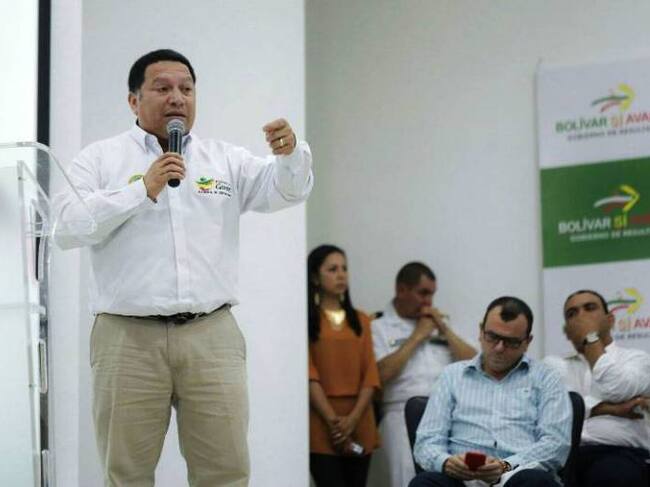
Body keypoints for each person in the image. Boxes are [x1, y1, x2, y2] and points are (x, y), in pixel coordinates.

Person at [53, 49, 313, 486]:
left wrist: (289, 158)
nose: (177, 98)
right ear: (133, 101)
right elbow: (66, 226)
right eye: (163, 88)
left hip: (211, 334)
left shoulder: (223, 159)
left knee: (225, 473)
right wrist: (142, 189)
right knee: (126, 475)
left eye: (186, 89)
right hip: (127, 338)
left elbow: (286, 191)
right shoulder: (99, 159)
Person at [410, 296, 571, 487]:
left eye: (511, 342)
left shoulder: (547, 378)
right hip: (460, 479)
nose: (499, 348)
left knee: (536, 482)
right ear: (481, 331)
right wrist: (445, 462)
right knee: (424, 483)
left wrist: (505, 466)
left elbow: (555, 445)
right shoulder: (451, 375)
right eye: (492, 337)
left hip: (517, 475)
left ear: (527, 342)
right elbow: (426, 441)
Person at [368, 262, 476, 487]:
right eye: (423, 293)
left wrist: (444, 330)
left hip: (447, 413)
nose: (429, 301)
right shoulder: (378, 327)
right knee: (408, 479)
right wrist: (418, 336)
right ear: (401, 290)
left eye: (432, 294)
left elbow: (476, 364)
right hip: (400, 413)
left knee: (454, 479)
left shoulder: (441, 324)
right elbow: (379, 375)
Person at [544, 289, 650, 487]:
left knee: (612, 475)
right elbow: (555, 410)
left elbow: (615, 389)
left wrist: (591, 338)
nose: (581, 316)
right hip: (561, 455)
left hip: (617, 454)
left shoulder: (637, 359)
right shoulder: (552, 365)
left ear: (610, 320)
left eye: (589, 308)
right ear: (567, 330)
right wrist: (611, 409)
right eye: (572, 313)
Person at [308, 244, 381, 487]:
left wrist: (352, 419)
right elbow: (309, 374)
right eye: (332, 269)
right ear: (315, 277)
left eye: (344, 268)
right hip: (321, 420)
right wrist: (334, 423)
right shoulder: (306, 320)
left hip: (360, 417)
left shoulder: (361, 320)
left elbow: (370, 374)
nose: (341, 275)